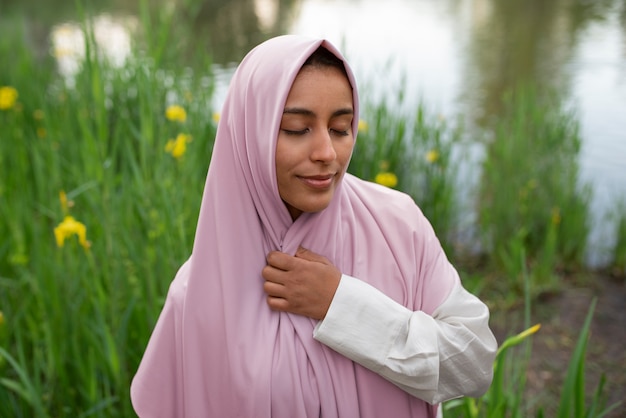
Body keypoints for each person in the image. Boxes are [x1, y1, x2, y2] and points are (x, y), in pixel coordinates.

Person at [130, 35, 497, 418]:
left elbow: (473, 365)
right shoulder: (198, 292)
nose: (326, 153)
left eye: (340, 128)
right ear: (249, 135)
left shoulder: (397, 226)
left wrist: (342, 304)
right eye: (296, 129)